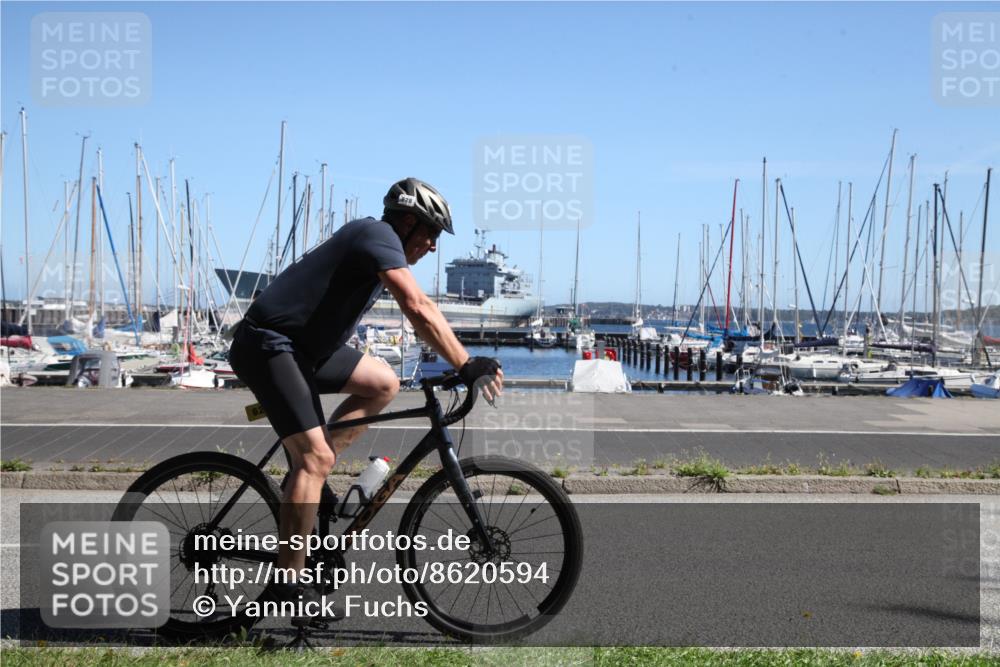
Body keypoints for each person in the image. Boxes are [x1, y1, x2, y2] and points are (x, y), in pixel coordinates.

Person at [227, 177, 503, 605]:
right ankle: (287, 585)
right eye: (431, 234)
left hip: (305, 353)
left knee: (384, 383)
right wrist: (465, 364)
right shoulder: (376, 235)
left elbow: (420, 310)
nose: (432, 246)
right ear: (408, 223)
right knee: (313, 459)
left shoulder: (382, 246)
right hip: (268, 345)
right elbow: (417, 307)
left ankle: (313, 477)